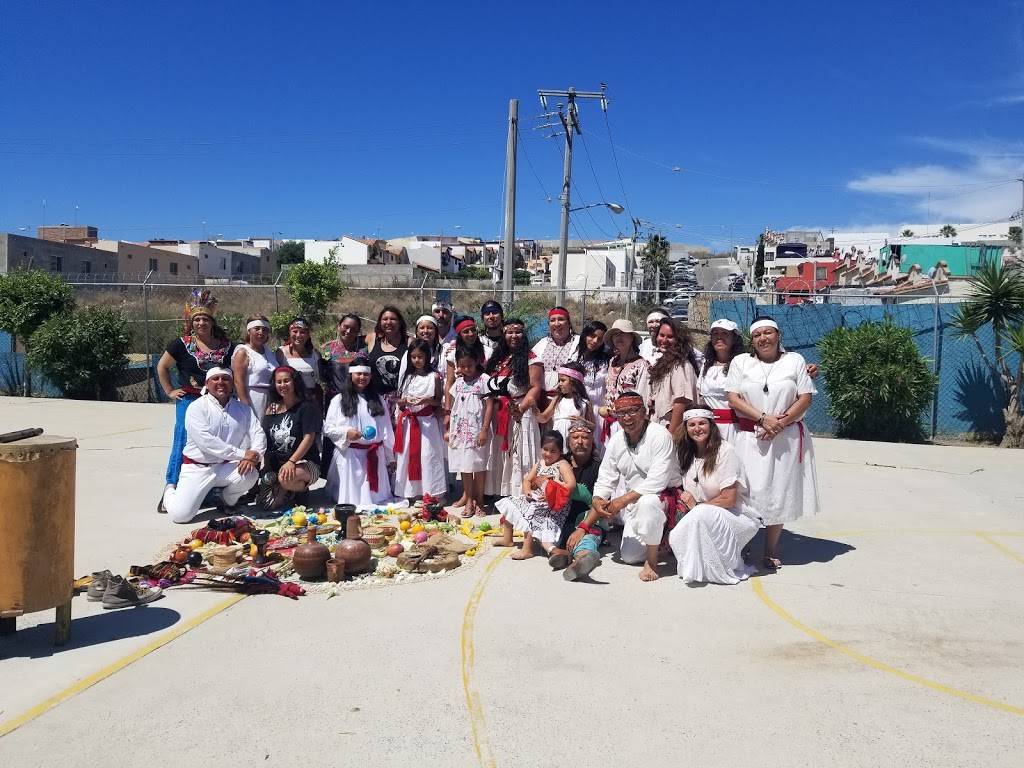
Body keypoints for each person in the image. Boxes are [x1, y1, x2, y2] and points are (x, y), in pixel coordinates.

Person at [726, 317, 820, 571]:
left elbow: (805, 397)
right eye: (757, 335)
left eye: (768, 333)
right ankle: (743, 544)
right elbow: (733, 398)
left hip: (784, 438)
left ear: (778, 335)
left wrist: (779, 423)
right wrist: (763, 418)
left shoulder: (795, 361)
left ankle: (770, 550)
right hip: (750, 437)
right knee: (746, 491)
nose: (763, 338)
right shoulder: (741, 362)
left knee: (778, 491)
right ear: (751, 340)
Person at [155, 289, 233, 510]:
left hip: (217, 403)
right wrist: (170, 391)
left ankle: (210, 490)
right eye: (197, 319)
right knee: (183, 440)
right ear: (191, 322)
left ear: (212, 321)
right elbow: (162, 366)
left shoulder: (225, 346)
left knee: (215, 442)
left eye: (205, 319)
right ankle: (172, 487)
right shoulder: (180, 344)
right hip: (189, 400)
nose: (201, 323)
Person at [591, 391, 680, 582]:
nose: (627, 418)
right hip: (634, 503)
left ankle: (652, 561)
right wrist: (598, 499)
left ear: (644, 412)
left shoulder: (660, 435)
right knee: (629, 557)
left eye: (632, 411)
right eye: (622, 413)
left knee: (648, 502)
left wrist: (621, 501)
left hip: (664, 498)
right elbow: (606, 475)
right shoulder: (616, 440)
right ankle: (664, 539)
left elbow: (658, 481)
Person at [160, 368, 266, 524]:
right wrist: (242, 454)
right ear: (207, 384)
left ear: (232, 384)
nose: (221, 382)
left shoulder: (243, 409)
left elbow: (258, 433)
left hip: (225, 467)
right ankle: (169, 490)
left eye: (225, 379)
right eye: (215, 379)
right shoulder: (196, 407)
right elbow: (207, 442)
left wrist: (254, 455)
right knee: (181, 516)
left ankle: (226, 500)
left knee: (250, 474)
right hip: (198, 468)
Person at [668, 409, 761, 585]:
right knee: (677, 527)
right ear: (686, 428)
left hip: (734, 515)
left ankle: (720, 564)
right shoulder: (685, 452)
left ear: (711, 425)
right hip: (699, 513)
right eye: (692, 424)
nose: (697, 428)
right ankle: (698, 566)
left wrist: (697, 505)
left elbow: (729, 499)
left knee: (700, 513)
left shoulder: (725, 451)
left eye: (702, 423)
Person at [323, 355, 397, 506]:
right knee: (351, 500)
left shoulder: (378, 399)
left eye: (366, 374)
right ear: (351, 375)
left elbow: (386, 429)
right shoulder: (338, 400)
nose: (362, 377)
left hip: (374, 454)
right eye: (359, 374)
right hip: (350, 455)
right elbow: (328, 428)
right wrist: (346, 432)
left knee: (377, 500)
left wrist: (390, 457)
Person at [484, 318, 544, 496]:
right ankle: (498, 491)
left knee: (518, 453)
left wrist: (520, 409)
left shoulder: (532, 358)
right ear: (504, 333)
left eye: (518, 332)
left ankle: (519, 492)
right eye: (510, 332)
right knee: (500, 452)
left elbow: (535, 387)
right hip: (498, 412)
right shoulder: (498, 357)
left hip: (520, 412)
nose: (514, 336)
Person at [496, 430, 576, 560]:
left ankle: (527, 550)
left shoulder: (562, 465)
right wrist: (527, 490)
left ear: (560, 451)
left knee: (531, 511)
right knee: (512, 502)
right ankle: (507, 538)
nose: (548, 454)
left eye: (553, 451)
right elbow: (527, 479)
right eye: (545, 449)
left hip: (553, 505)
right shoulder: (540, 463)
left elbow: (571, 485)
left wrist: (552, 495)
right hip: (537, 498)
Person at [549, 417, 605, 581]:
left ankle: (582, 559)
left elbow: (601, 505)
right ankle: (564, 555)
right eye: (575, 438)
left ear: (591, 441)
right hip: (560, 516)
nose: (580, 442)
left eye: (585, 437)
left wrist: (582, 528)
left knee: (588, 538)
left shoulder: (600, 466)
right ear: (568, 441)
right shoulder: (559, 462)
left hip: (588, 519)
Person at [258, 366, 323, 509]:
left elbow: (309, 438)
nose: (283, 385)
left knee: (285, 479)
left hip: (305, 462)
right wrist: (267, 467)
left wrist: (292, 461)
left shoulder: (306, 406)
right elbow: (268, 441)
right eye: (279, 382)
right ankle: (286, 490)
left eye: (286, 381)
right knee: (267, 505)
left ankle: (300, 490)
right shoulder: (272, 408)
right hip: (279, 464)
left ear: (295, 382)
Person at [393, 340, 447, 503]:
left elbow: (438, 401)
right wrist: (403, 402)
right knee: (410, 454)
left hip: (427, 423)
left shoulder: (434, 377)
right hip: (410, 422)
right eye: (414, 357)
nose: (417, 360)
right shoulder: (407, 377)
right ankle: (411, 491)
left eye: (420, 357)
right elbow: (401, 400)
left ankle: (432, 492)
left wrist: (426, 400)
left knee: (428, 456)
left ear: (427, 357)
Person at [446, 347, 494, 517]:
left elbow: (489, 405)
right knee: (465, 466)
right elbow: (454, 405)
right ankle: (468, 500)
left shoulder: (484, 380)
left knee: (478, 465)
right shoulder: (458, 383)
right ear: (458, 365)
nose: (466, 369)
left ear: (477, 363)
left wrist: (484, 430)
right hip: (461, 430)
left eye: (470, 365)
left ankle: (480, 500)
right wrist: (449, 429)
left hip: (477, 429)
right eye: (462, 366)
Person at [599, 319, 650, 443]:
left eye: (623, 333)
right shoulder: (612, 362)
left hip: (629, 423)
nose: (619, 337)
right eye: (615, 334)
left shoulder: (642, 365)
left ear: (631, 338)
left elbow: (643, 396)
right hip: (609, 421)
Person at [647, 317, 698, 437]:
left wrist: (671, 434)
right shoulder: (665, 362)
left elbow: (681, 402)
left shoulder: (680, 365)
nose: (664, 340)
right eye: (661, 335)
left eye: (670, 337)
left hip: (670, 429)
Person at [698, 319, 746, 442]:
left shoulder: (743, 363)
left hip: (735, 429)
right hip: (709, 428)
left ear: (734, 338)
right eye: (715, 334)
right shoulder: (705, 364)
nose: (719, 338)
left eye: (725, 334)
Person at [231, 315, 278, 418]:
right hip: (253, 398)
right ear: (249, 331)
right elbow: (238, 381)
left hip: (271, 399)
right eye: (257, 329)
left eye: (265, 330)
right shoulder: (243, 352)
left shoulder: (269, 352)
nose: (261, 332)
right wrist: (245, 406)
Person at [442, 316, 491, 413]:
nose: (471, 334)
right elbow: (449, 383)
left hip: (482, 403)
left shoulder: (487, 352)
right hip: (460, 403)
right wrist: (447, 410)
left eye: (473, 330)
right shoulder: (452, 355)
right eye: (466, 331)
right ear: (459, 334)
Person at [536, 361, 593, 444]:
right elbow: (544, 418)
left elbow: (593, 426)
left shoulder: (585, 403)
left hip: (575, 442)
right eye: (559, 381)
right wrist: (535, 410)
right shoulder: (557, 400)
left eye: (563, 380)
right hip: (557, 442)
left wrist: (583, 422)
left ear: (574, 382)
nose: (559, 384)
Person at [531, 306, 581, 397]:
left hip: (568, 398)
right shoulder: (541, 344)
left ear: (569, 323)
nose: (557, 324)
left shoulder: (578, 343)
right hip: (541, 397)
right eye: (552, 320)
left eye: (561, 319)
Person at [577, 320, 610, 448]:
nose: (595, 341)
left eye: (600, 339)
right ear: (585, 335)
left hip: (598, 413)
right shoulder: (575, 356)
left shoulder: (606, 360)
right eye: (592, 336)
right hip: (578, 409)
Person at [277, 317, 324, 407]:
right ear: (289, 333)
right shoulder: (281, 353)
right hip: (289, 402)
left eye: (302, 332)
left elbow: (320, 380)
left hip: (310, 402)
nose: (298, 335)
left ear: (308, 335)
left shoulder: (314, 354)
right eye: (295, 331)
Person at [364, 305, 409, 399]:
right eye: (385, 319)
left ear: (400, 322)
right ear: (380, 322)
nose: (389, 322)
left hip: (402, 400)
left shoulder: (409, 342)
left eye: (393, 319)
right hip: (375, 399)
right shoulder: (372, 338)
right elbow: (350, 341)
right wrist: (327, 347)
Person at [398, 315, 443, 382]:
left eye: (430, 328)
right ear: (417, 331)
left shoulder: (443, 352)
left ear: (436, 331)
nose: (425, 331)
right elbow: (403, 376)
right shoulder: (410, 352)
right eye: (422, 328)